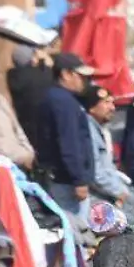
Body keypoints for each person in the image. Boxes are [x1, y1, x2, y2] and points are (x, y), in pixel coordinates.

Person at [34, 52, 97, 221]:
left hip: (61, 178)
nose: (84, 81)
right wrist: (78, 180)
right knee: (77, 231)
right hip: (66, 181)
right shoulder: (63, 101)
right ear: (65, 74)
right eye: (80, 76)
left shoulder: (57, 98)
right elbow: (69, 142)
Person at [81, 85, 134, 222]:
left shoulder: (99, 130)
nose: (113, 108)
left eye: (112, 102)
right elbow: (96, 173)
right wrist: (119, 192)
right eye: (106, 102)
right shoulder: (88, 131)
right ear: (91, 107)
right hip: (98, 198)